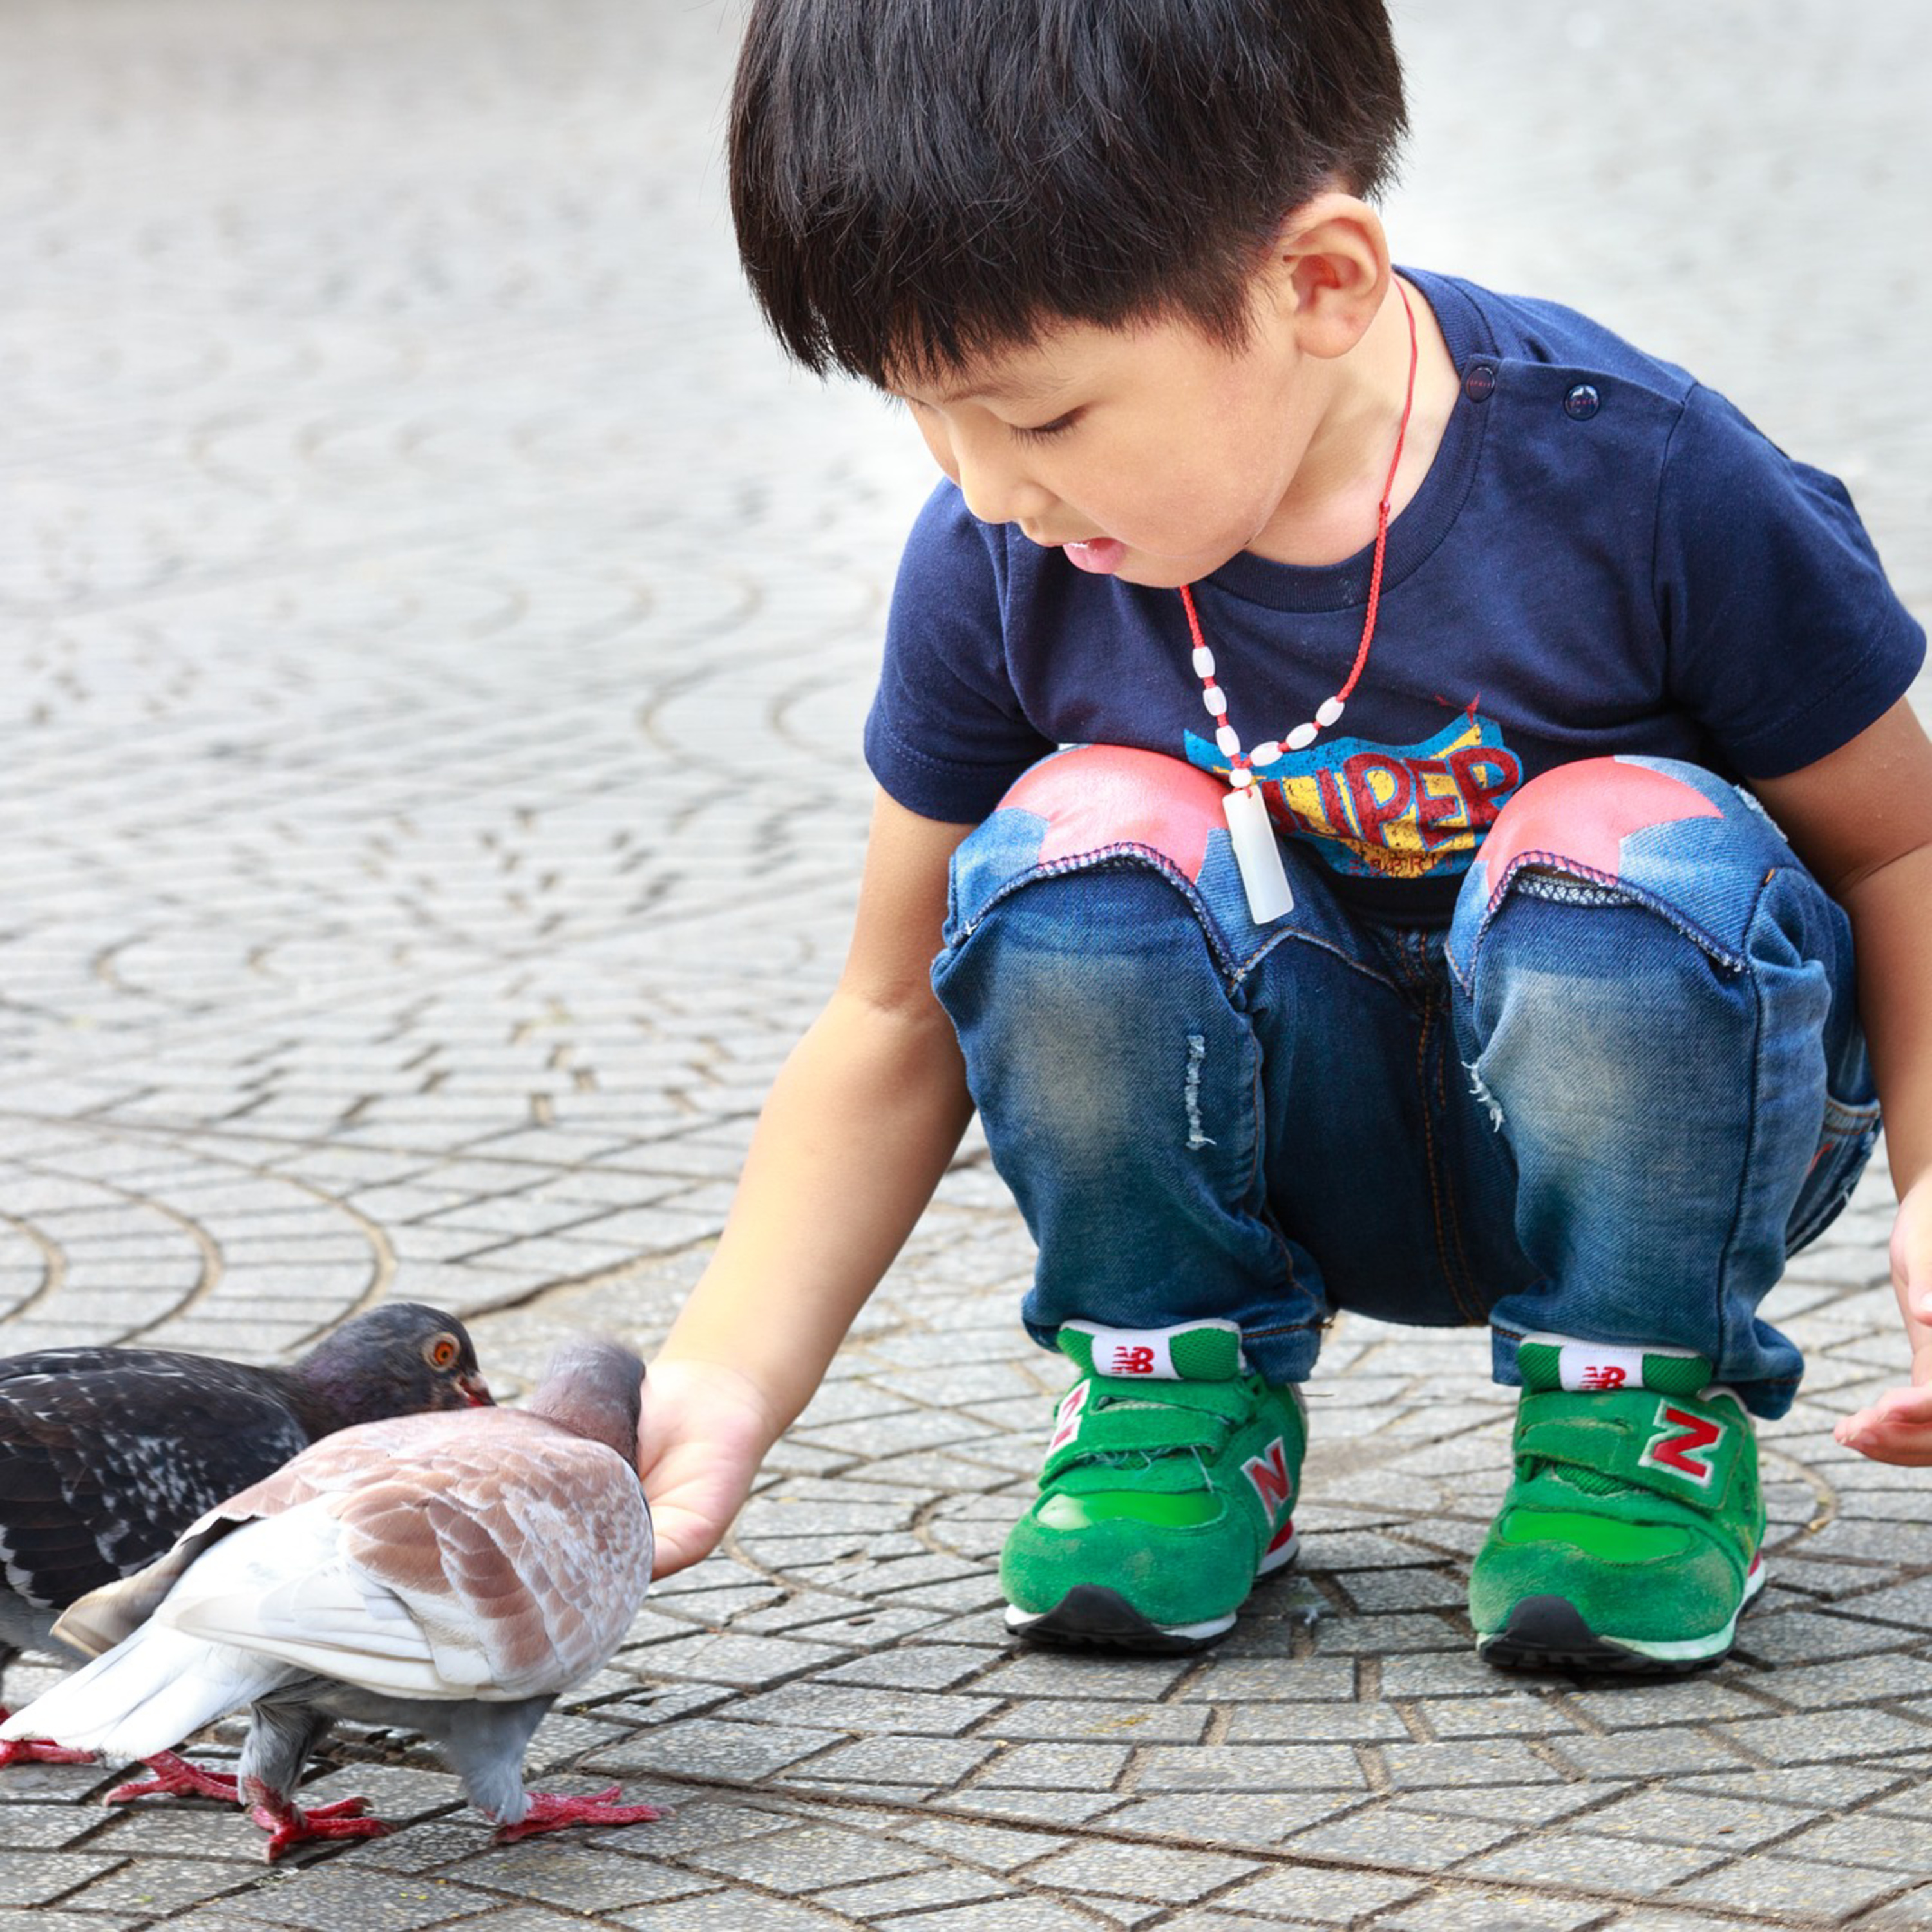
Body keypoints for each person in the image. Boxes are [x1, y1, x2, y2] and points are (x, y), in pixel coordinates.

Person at [636, 0, 1932, 1672]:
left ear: (1319, 282)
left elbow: (1902, 852)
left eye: (1038, 417)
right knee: (1075, 844)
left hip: (1651, 1129)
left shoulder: (1645, 481)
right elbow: (890, 1015)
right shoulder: (1005, 559)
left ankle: (1641, 1419)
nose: (987, 485)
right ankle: (1175, 1394)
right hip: (1287, 1137)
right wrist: (722, 1379)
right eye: (922, 411)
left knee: (1619, 835)